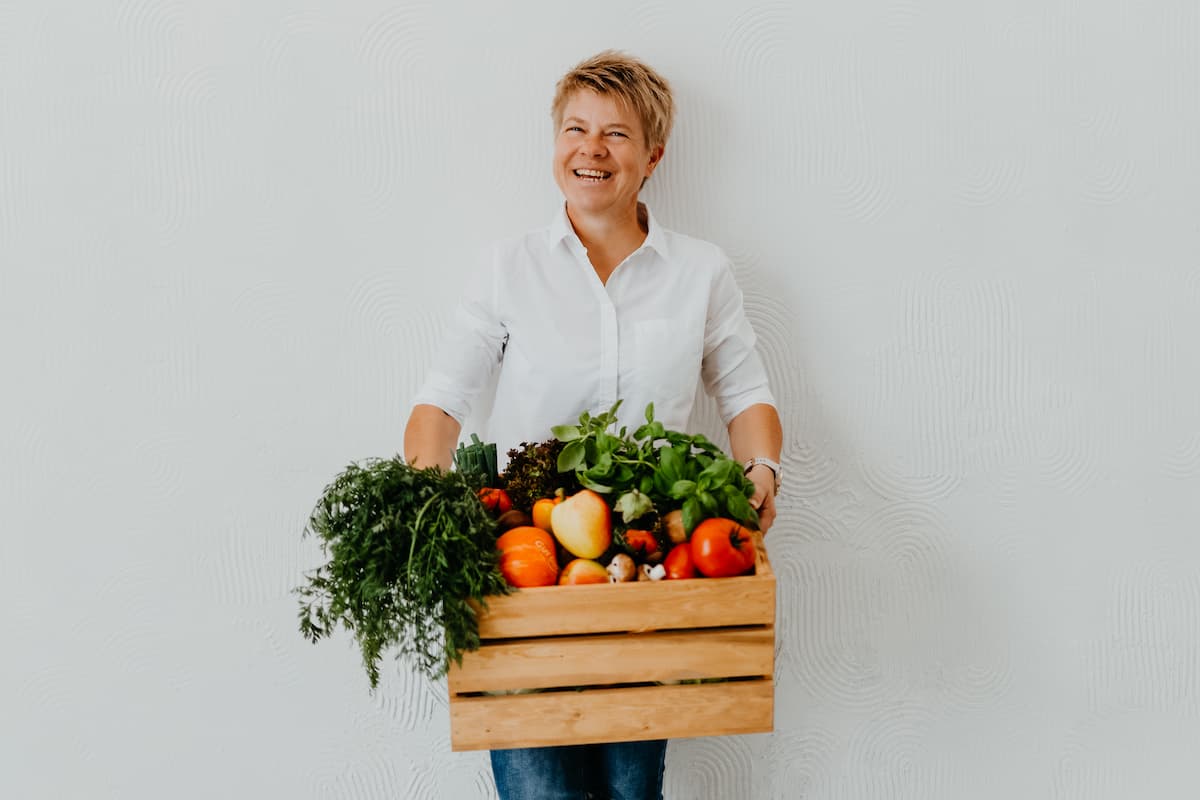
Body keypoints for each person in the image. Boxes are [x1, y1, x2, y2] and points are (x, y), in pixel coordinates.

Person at [403, 50, 782, 800]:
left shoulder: (700, 271)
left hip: (644, 563)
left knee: (631, 791)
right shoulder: (507, 267)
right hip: (523, 559)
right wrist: (426, 490)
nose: (592, 149)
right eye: (575, 129)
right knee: (541, 791)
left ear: (652, 157)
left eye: (615, 134)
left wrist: (764, 470)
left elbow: (745, 393)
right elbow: (442, 401)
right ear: (555, 145)